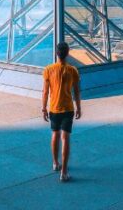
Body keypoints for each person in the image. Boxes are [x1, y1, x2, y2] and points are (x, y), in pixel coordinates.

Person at [42, 42, 82, 183]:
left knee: (55, 134)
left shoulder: (48, 69)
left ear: (56, 53)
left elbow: (45, 92)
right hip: (68, 108)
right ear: (68, 53)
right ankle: (64, 172)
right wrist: (79, 107)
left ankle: (55, 163)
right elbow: (76, 91)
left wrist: (43, 108)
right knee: (65, 138)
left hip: (54, 108)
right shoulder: (73, 70)